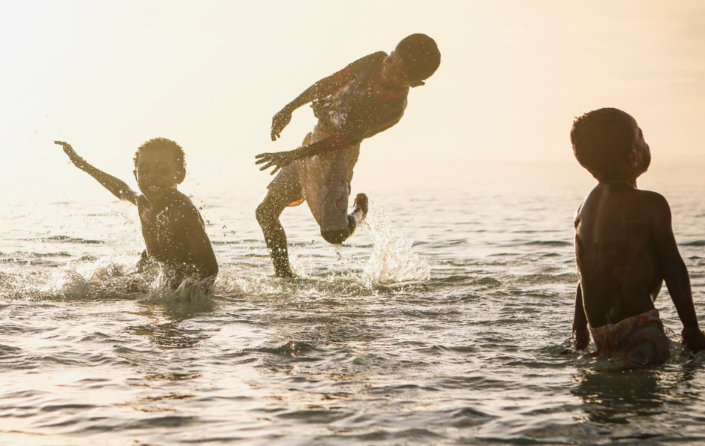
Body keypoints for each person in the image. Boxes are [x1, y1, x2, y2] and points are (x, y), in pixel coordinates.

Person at [254, 33, 441, 277]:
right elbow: (331, 82)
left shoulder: (392, 110)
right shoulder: (376, 60)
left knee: (334, 235)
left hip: (338, 155)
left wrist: (294, 154)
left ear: (415, 83)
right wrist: (289, 108)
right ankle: (284, 276)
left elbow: (342, 140)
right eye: (392, 58)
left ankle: (360, 211)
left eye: (398, 71)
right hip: (317, 138)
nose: (387, 67)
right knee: (265, 212)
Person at [569, 108, 705, 367]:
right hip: (640, 327)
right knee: (648, 402)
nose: (647, 144)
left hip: (600, 333)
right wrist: (691, 328)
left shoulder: (582, 210)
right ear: (633, 156)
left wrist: (579, 332)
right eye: (641, 137)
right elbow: (673, 266)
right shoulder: (651, 204)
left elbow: (585, 272)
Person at [56, 138, 218, 288]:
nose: (152, 177)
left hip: (179, 281)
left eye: (162, 170)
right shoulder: (143, 203)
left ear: (180, 175)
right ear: (136, 175)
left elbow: (210, 267)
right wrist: (83, 165)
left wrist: (188, 295)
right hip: (152, 274)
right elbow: (120, 189)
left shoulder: (183, 209)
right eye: (145, 171)